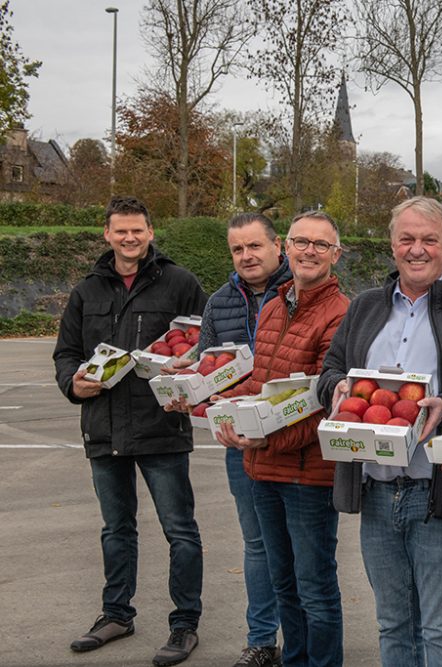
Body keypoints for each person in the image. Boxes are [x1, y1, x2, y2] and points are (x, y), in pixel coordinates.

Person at [316, 197, 442, 666]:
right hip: (378, 493)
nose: (416, 249)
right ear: (392, 245)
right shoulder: (364, 308)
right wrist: (337, 388)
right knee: (392, 623)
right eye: (406, 239)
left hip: (439, 492)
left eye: (428, 239)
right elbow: (330, 371)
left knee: (441, 626)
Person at [52, 196, 208, 666]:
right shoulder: (87, 290)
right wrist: (73, 383)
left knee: (180, 531)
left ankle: (184, 626)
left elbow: (208, 341)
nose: (129, 238)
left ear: (151, 232)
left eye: (137, 230)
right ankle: (116, 613)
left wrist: (189, 370)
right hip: (103, 428)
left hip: (160, 426)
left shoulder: (180, 282)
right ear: (107, 234)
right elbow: (66, 353)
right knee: (116, 529)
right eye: (120, 231)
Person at [214, 210, 350, 667]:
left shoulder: (341, 314)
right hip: (262, 471)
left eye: (321, 244)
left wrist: (264, 440)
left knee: (314, 588)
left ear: (336, 254)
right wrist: (212, 404)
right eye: (301, 241)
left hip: (307, 477)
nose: (309, 250)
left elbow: (327, 406)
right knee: (285, 585)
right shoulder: (274, 306)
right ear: (285, 248)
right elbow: (259, 382)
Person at [166, 212, 290, 667]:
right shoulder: (219, 302)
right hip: (240, 443)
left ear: (278, 246)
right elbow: (210, 367)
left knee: (306, 545)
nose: (246, 256)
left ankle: (307, 638)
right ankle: (261, 640)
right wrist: (189, 389)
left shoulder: (303, 291)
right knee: (256, 544)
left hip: (296, 442)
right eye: (238, 249)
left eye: (255, 246)